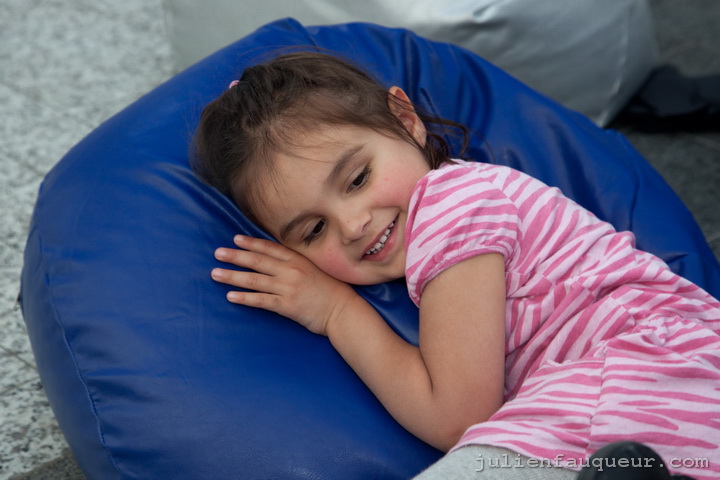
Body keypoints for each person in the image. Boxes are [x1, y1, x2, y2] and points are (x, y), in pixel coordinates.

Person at [192, 51, 720, 479]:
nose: (352, 225)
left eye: (356, 179)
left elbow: (458, 415)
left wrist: (335, 313)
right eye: (313, 231)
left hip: (645, 374)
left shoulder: (453, 203)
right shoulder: (469, 196)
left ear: (405, 119)